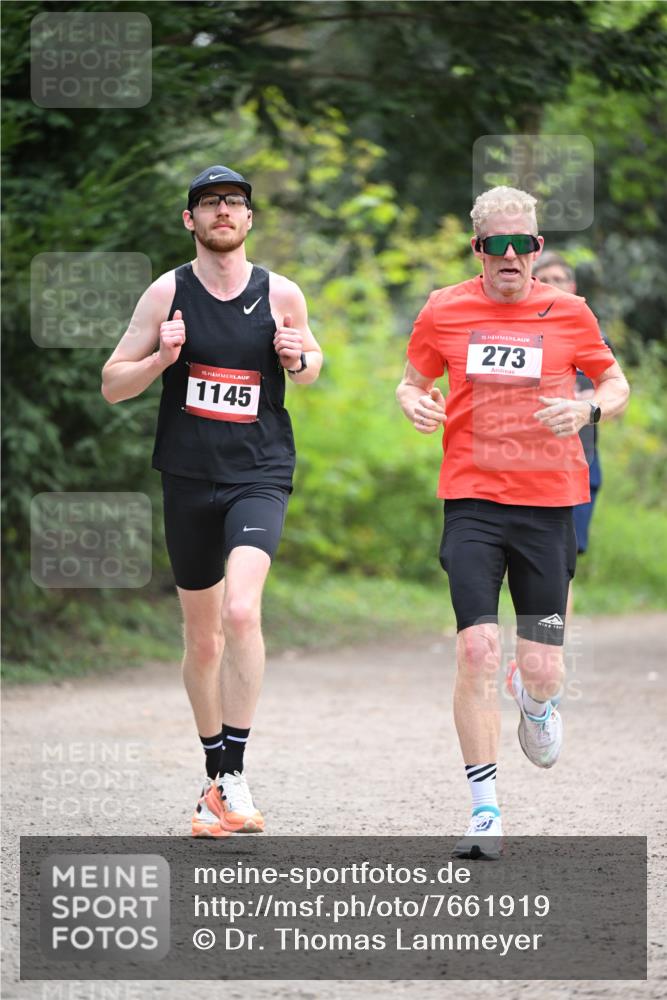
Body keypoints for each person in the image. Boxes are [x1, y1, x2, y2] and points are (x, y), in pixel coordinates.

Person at [396, 186, 629, 859]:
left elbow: (614, 384)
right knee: (475, 649)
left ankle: (537, 704)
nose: (507, 256)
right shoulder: (444, 309)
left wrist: (588, 410)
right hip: (470, 500)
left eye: (520, 244)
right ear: (476, 249)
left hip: (549, 505)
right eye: (494, 244)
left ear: (535, 248)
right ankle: (484, 810)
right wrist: (413, 402)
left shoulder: (570, 312)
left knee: (542, 665)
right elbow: (411, 380)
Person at [101, 165, 323, 837]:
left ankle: (234, 774)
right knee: (202, 640)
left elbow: (311, 366)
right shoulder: (166, 292)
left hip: (259, 473)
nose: (222, 211)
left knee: (240, 609)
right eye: (209, 203)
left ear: (249, 219)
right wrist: (160, 361)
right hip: (188, 479)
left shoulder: (280, 293)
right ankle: (213, 780)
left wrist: (296, 357)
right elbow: (113, 384)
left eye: (234, 202)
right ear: (189, 220)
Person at [532, 252, 613, 614]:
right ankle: (534, 645)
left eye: (560, 279)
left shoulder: (588, 334)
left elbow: (611, 395)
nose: (553, 285)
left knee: (560, 566)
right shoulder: (522, 336)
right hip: (522, 464)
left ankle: (545, 647)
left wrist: (586, 408)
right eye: (544, 278)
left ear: (573, 286)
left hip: (578, 465)